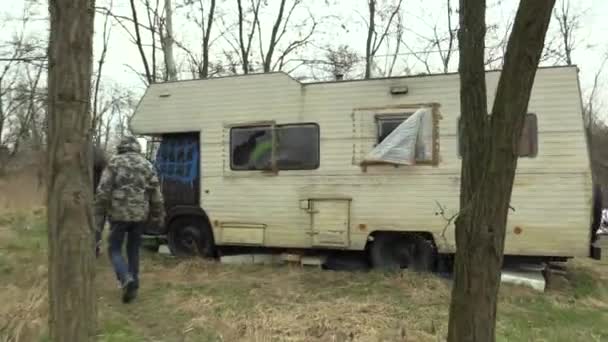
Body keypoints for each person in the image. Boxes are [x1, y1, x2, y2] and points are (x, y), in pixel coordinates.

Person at [94, 136, 165, 303]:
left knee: (114, 248)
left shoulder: (114, 163)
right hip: (140, 215)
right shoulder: (147, 165)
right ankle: (134, 283)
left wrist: (98, 213)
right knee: (133, 249)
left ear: (121, 147)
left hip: (118, 215)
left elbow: (103, 190)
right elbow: (156, 194)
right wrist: (159, 215)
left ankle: (125, 278)